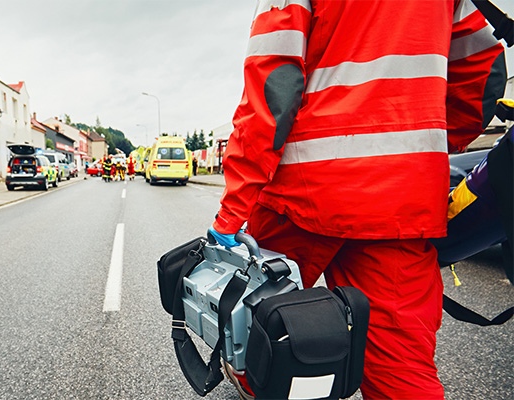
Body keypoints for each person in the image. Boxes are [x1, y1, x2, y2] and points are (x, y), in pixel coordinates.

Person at [208, 1, 506, 399]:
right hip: (400, 202)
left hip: (303, 194)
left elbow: (272, 88)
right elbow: (484, 75)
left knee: (264, 336)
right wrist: (415, 149)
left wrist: (231, 212)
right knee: (402, 373)